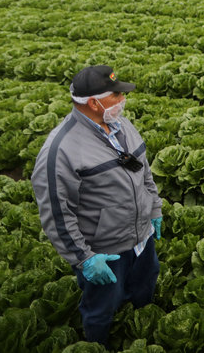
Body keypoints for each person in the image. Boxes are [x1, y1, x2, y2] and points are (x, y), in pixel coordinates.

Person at [31, 65, 163, 346]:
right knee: (102, 308)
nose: (122, 100)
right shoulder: (60, 151)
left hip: (142, 238)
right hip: (105, 252)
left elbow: (143, 171)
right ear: (93, 102)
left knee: (144, 288)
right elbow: (56, 213)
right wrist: (84, 258)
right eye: (116, 96)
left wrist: (154, 208)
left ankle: (139, 331)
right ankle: (97, 344)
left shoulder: (121, 124)